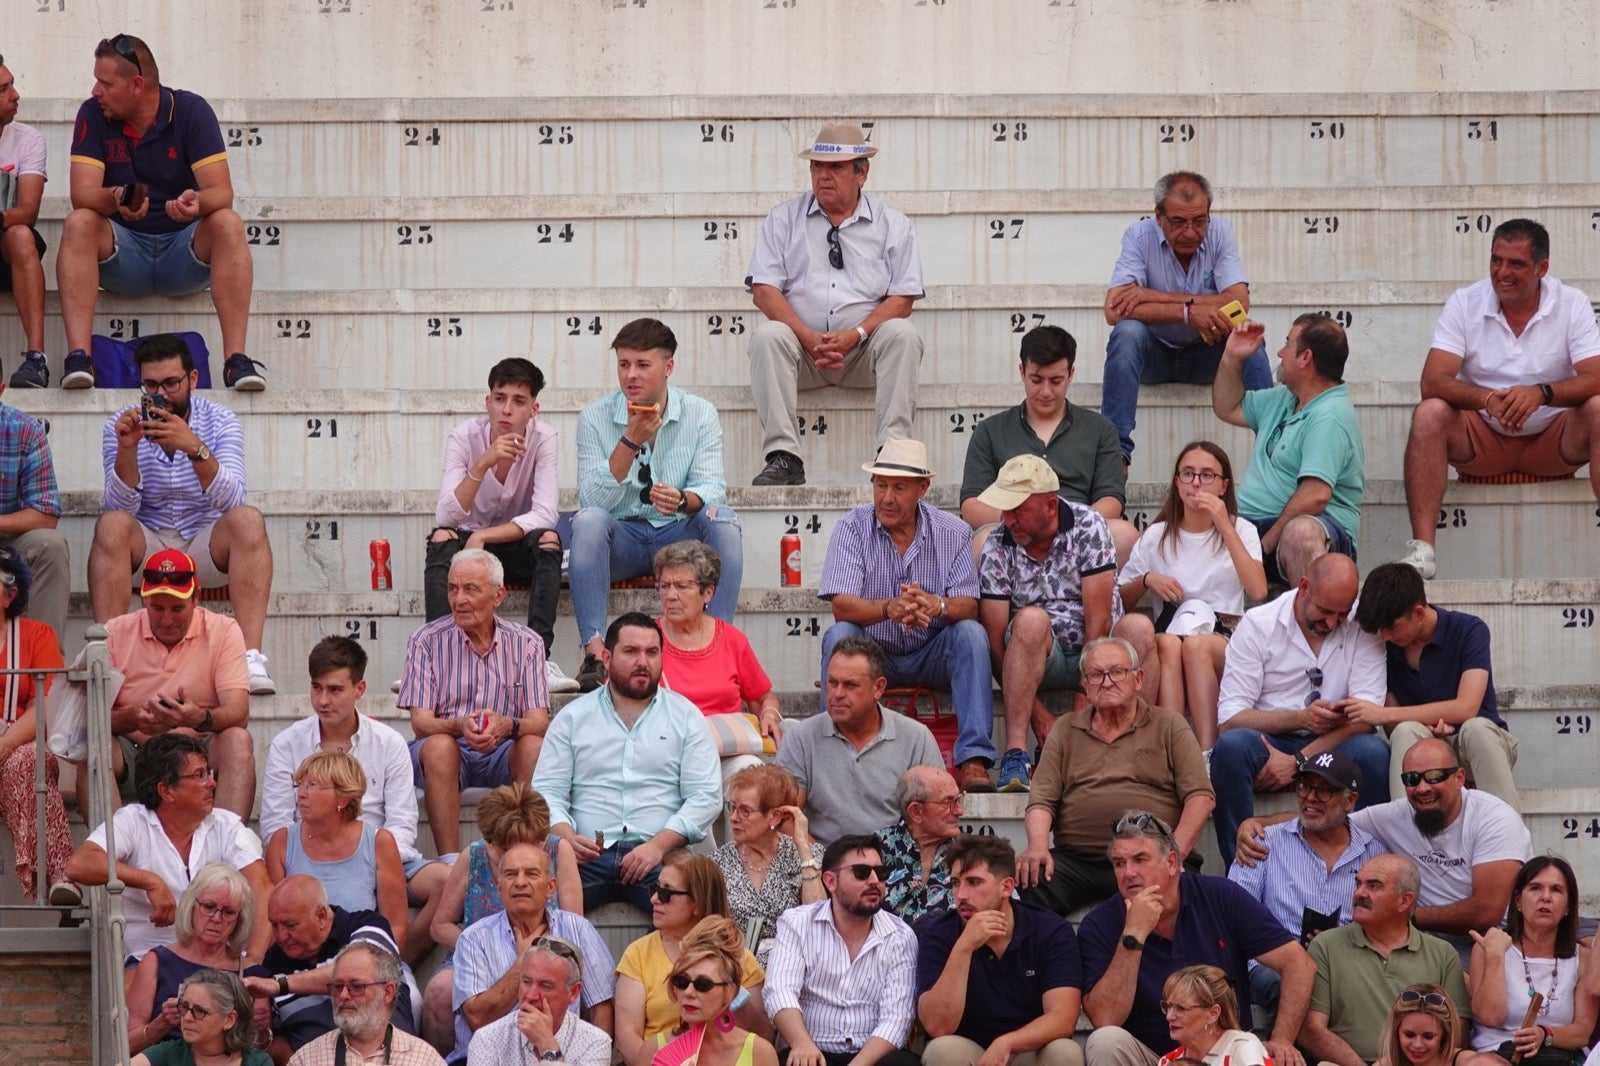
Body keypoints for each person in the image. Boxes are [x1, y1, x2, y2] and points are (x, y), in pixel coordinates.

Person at [1398, 218, 1600, 579]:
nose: (1502, 272)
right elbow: (1432, 381)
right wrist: (1487, 399)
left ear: (1542, 268)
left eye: (1516, 263)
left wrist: (1541, 393)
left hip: (1552, 441)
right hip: (1483, 440)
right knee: (1430, 412)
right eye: (1496, 260)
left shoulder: (1572, 303)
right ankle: (1423, 553)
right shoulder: (1465, 301)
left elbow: (1596, 376)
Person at [57, 34, 259, 391]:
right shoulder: (93, 113)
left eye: (105, 83)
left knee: (227, 221)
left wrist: (196, 202)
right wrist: (116, 198)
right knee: (79, 222)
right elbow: (81, 194)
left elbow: (222, 192)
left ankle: (237, 362)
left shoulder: (190, 110)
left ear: (136, 85)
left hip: (182, 253)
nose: (94, 91)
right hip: (123, 254)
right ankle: (79, 357)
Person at [89, 332, 275, 693]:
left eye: (172, 383)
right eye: (151, 385)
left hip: (204, 542)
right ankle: (107, 656)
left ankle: (249, 656)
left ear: (192, 379)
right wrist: (127, 452)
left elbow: (234, 501)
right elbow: (118, 511)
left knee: (249, 520)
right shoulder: (121, 425)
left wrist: (194, 448)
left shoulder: (220, 420)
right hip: (150, 542)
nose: (162, 394)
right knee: (111, 525)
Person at [745, 122, 923, 487]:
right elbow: (764, 290)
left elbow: (903, 299)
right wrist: (808, 337)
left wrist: (856, 334)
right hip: (803, 354)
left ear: (863, 173)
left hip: (861, 353)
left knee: (903, 334)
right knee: (767, 336)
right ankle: (784, 456)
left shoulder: (893, 224)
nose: (823, 175)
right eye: (817, 166)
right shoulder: (783, 218)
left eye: (835, 168)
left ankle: (892, 454)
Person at [571, 317, 741, 689]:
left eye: (642, 365)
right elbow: (590, 500)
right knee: (586, 523)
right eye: (623, 364)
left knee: (723, 520)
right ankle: (594, 654)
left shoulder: (699, 413)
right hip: (623, 538)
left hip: (679, 536)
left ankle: (722, 645)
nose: (631, 375)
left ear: (668, 368)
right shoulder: (595, 418)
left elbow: (713, 489)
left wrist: (683, 499)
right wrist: (629, 441)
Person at [1235, 739, 1531, 948]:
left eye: (1435, 777)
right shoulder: (1394, 816)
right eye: (1412, 778)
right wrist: (1257, 823)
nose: (1423, 787)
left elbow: (1486, 912)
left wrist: (1396, 914)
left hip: (1493, 939)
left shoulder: (1494, 818)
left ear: (1460, 778)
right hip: (1420, 939)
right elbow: (1325, 816)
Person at [818, 438, 993, 791]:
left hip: (931, 650)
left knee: (971, 633)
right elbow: (841, 606)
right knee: (840, 637)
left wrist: (936, 605)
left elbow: (969, 604)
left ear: (922, 488)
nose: (886, 497)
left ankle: (973, 761)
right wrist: (888, 608)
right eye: (880, 485)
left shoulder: (953, 531)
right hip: (874, 654)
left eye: (899, 488)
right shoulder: (852, 528)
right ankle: (832, 752)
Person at [260, 636, 449, 964]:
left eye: (335, 690)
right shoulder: (286, 743)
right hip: (310, 852)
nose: (323, 700)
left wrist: (373, 862)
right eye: (316, 688)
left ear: (359, 689)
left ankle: (398, 959)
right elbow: (275, 824)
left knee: (449, 882)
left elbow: (403, 822)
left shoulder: (389, 742)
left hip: (383, 854)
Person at [975, 454, 1154, 792]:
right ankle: (1016, 753)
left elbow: (1098, 619)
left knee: (1140, 629)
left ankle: (1134, 749)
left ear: (1050, 506)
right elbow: (995, 641)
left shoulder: (1089, 525)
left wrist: (1084, 699)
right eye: (1005, 509)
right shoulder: (998, 543)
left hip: (1097, 649)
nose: (1007, 519)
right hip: (1038, 653)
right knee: (1029, 620)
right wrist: (1040, 717)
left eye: (1018, 510)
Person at [1078, 811, 1312, 1066]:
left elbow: (1299, 964)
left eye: (1140, 859)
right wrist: (1133, 935)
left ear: (1171, 863)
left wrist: (1282, 1039)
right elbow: (1104, 1018)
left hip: (1225, 1054)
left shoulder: (1220, 897)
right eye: (1119, 863)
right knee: (1105, 1042)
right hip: (1152, 1059)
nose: (1128, 873)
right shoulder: (1100, 923)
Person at [534, 612, 722, 913]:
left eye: (652, 652)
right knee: (536, 909)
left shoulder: (686, 717)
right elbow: (546, 791)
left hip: (660, 856)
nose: (643, 662)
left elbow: (707, 796)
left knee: (696, 912)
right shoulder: (573, 718)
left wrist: (657, 846)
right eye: (631, 651)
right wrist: (567, 839)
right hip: (585, 857)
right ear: (606, 658)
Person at [1209, 552, 1390, 861]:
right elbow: (1231, 718)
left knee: (1374, 753)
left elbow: (1367, 717)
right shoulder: (1258, 624)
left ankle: (1366, 868)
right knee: (1231, 748)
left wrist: (1298, 761)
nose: (1332, 622)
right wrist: (1300, 718)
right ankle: (1238, 872)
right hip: (1271, 738)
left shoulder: (1362, 623)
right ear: (1304, 586)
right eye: (1325, 611)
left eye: (1341, 614)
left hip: (1338, 739)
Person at [1017, 637, 1213, 916]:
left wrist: (1173, 854)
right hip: (1080, 861)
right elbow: (1041, 800)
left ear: (1138, 679)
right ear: (1085, 684)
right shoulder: (1065, 729)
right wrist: (1037, 846)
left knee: (1183, 897)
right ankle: (1055, 959)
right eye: (1096, 675)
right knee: (1028, 881)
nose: (1107, 682)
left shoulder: (1168, 724)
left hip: (1150, 853)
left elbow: (1201, 797)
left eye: (1117, 672)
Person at [1101, 171, 1272, 467]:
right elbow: (1114, 310)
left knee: (1249, 337)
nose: (1191, 232)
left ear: (1209, 214)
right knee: (1127, 332)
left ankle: (1275, 443)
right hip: (1154, 355)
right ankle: (1115, 455)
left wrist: (1150, 296)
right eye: (1179, 222)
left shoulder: (1220, 233)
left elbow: (1239, 302)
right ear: (1158, 217)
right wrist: (1187, 312)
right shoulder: (1138, 237)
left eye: (1199, 221)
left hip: (1207, 354)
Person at [427, 356, 576, 693]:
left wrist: (484, 535)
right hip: (466, 543)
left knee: (549, 541)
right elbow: (446, 515)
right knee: (441, 537)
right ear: (488, 401)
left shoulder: (544, 439)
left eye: (519, 401)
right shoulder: (464, 436)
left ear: (533, 409)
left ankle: (538, 659)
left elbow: (544, 513)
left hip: (512, 543)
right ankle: (437, 657)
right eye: (500, 398)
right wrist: (483, 462)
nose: (507, 409)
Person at [65, 733, 271, 963]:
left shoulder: (227, 825)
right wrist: (150, 881)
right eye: (199, 775)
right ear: (167, 791)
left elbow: (262, 889)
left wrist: (254, 959)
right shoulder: (133, 821)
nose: (212, 782)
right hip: (147, 960)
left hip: (215, 960)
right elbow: (80, 864)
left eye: (209, 773)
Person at [400, 548, 550, 859]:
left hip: (503, 749)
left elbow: (539, 721)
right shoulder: (425, 640)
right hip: (448, 751)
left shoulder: (528, 643)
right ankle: (450, 861)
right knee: (439, 745)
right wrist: (458, 726)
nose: (458, 599)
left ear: (498, 596)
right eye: (453, 588)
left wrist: (508, 724)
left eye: (470, 589)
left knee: (534, 746)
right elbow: (421, 722)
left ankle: (526, 852)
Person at [85, 548, 256, 819]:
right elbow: (89, 718)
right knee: (92, 742)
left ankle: (229, 850)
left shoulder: (224, 630)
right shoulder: (115, 632)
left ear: (196, 598)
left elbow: (239, 711)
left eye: (177, 608)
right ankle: (109, 853)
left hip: (199, 748)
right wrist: (132, 719)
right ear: (143, 600)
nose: (166, 620)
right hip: (136, 753)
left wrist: (198, 717)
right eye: (157, 608)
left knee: (238, 739)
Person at [1117, 441, 1265, 748]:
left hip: (1224, 636)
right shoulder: (1157, 536)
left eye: (1207, 475)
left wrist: (1224, 525)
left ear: (1224, 485)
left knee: (1195, 647)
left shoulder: (1243, 530)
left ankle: (1209, 752)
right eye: (1188, 473)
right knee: (1169, 645)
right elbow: (1120, 601)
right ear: (1176, 481)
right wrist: (1147, 579)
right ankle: (1175, 751)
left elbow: (1258, 590)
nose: (1196, 482)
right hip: (1171, 632)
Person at [959, 324, 1139, 572]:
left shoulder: (1100, 429)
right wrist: (1024, 521)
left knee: (1125, 535)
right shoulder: (990, 430)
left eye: (1056, 381)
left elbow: (1111, 500)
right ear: (1022, 372)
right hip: (1013, 532)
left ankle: (1107, 611)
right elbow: (971, 504)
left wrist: (1062, 524)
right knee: (982, 541)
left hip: (1078, 532)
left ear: (1071, 374)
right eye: (1036, 380)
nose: (1045, 391)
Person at [1225, 751, 1385, 1029]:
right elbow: (1233, 917)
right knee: (1292, 981)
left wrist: (1337, 945)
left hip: (1347, 960)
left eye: (1324, 791)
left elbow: (1385, 924)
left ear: (1350, 801)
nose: (1310, 797)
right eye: (1305, 786)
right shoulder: (1263, 842)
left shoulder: (1373, 853)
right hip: (1270, 963)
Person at [422, 784, 582, 1053]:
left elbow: (573, 926)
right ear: (490, 841)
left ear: (540, 840)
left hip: (544, 950)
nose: (514, 856)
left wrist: (531, 954)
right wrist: (487, 948)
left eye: (527, 845)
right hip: (475, 953)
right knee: (439, 990)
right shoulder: (473, 856)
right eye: (504, 848)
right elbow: (439, 926)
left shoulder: (559, 851)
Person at [1212, 314, 1364, 584]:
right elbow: (1226, 407)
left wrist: (1264, 545)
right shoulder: (1284, 397)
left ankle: (1311, 619)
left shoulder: (1330, 415)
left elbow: (1315, 496)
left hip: (1314, 531)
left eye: (1287, 344)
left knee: (1301, 533)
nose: (1280, 353)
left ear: (1305, 358)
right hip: (1252, 527)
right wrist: (1231, 358)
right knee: (1192, 518)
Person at [1352, 563, 1518, 807]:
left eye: (1391, 627)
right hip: (1423, 751)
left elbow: (1466, 708)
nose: (1385, 636)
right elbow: (1393, 728)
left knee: (1477, 729)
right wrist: (1427, 730)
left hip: (1476, 748)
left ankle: (1508, 837)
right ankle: (1406, 837)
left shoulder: (1469, 629)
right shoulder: (1384, 646)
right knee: (1405, 730)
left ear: (1418, 613)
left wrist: (1383, 713)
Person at [915, 834, 1084, 1066]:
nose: (961, 895)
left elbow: (1063, 1018)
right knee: (940, 1051)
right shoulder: (939, 934)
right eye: (955, 883)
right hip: (971, 1052)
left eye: (974, 882)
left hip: (1028, 1049)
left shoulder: (1050, 930)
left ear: (1006, 887)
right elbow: (938, 1026)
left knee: (1065, 1051)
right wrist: (964, 947)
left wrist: (1007, 1043)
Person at [452, 841, 616, 1065]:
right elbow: (477, 1018)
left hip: (567, 1052)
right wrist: (525, 961)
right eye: (511, 874)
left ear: (550, 887)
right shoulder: (473, 939)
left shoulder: (578, 929)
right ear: (499, 887)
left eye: (531, 873)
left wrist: (589, 1054)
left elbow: (601, 1007)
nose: (520, 882)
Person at [763, 834, 919, 1066]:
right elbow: (779, 991)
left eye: (881, 872)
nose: (875, 881)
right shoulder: (797, 924)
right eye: (861, 872)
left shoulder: (900, 936)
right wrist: (802, 1043)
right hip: (812, 1051)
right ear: (830, 881)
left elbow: (897, 1019)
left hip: (872, 1056)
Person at [1300, 855, 1470, 1066]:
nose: (1359, 893)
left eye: (1374, 886)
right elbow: (1311, 1030)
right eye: (1358, 883)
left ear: (1404, 900)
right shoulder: (1325, 945)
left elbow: (1456, 1033)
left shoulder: (1442, 954)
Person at [775, 636, 942, 847]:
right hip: (823, 866)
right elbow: (786, 818)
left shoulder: (916, 738)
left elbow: (933, 817)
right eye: (832, 682)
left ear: (878, 688)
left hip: (896, 866)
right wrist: (828, 863)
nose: (837, 694)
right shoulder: (800, 738)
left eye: (850, 685)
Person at [615, 853, 769, 1066]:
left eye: (666, 893)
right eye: (655, 889)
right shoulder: (639, 953)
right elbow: (626, 1037)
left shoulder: (741, 959)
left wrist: (733, 988)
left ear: (698, 903)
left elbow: (760, 1035)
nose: (654, 899)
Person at [654, 541, 782, 783]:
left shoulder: (732, 640)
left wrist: (770, 715)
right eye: (664, 586)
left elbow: (764, 698)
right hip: (667, 756)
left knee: (751, 772)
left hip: (725, 752)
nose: (670, 595)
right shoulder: (646, 639)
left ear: (708, 592)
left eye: (682, 586)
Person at [247, 875, 415, 1058]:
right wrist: (264, 1034)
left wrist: (280, 984)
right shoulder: (274, 962)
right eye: (274, 925)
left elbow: (360, 971)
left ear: (320, 916)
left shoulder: (366, 924)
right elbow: (275, 1042)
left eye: (290, 925)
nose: (281, 936)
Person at [265, 752, 409, 949]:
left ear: (343, 798)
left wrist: (370, 965)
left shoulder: (379, 842)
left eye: (312, 786)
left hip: (363, 961)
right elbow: (272, 921)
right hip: (296, 959)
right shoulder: (282, 842)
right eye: (300, 784)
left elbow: (396, 925)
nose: (301, 793)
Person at [1467, 857, 1597, 1064]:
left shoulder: (1582, 957)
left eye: (1556, 890)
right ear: (1518, 900)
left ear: (1568, 906)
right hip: (1495, 1057)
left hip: (1556, 1057)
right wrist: (1495, 956)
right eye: (1535, 888)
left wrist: (1545, 1034)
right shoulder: (1489, 948)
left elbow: (1582, 1032)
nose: (1545, 897)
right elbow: (1490, 1017)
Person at [127, 864, 267, 1055]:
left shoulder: (253, 974)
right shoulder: (157, 962)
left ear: (240, 919)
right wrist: (161, 1024)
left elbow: (259, 1049)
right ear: (191, 907)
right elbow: (126, 1046)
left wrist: (261, 1032)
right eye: (208, 907)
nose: (217, 918)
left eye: (228, 912)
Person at [0, 548, 70, 902]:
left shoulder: (36, 635)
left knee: (28, 762)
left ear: (11, 594)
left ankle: (59, 879)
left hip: (18, 748)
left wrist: (6, 744)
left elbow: (46, 702)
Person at [712, 764, 822, 966]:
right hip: (735, 969)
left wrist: (803, 847)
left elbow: (817, 917)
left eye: (745, 811)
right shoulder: (718, 863)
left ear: (775, 816)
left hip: (795, 966)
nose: (733, 817)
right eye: (732, 807)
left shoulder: (808, 857)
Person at [287, 942, 446, 1066]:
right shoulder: (307, 1059)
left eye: (357, 987)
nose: (343, 995)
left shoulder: (424, 1060)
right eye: (338, 986)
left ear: (388, 992)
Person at [650, 917, 779, 1066]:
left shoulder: (759, 1053)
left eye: (703, 984)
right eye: (682, 982)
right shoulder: (653, 1050)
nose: (689, 992)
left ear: (729, 992)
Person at [466, 942, 611, 1066]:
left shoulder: (595, 1042)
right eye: (526, 982)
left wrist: (547, 1046)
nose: (530, 996)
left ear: (573, 992)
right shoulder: (488, 1039)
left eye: (546, 985)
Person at [0, 55, 51, 390]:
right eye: (3, 89)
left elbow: (28, 211)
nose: (15, 95)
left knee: (21, 234)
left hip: (5, 251)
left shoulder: (27, 138)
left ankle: (36, 358)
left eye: (12, 84)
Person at [0, 391, 68, 642]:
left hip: (7, 542)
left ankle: (46, 668)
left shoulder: (25, 430)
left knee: (50, 545)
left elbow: (46, 513)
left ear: (1, 389)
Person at [130, 969, 271, 1066]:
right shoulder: (170, 1053)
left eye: (200, 1011)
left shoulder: (257, 1062)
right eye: (184, 1007)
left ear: (229, 1020)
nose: (187, 1018)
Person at [874, 766, 961, 924]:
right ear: (916, 812)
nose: (959, 811)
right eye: (948, 803)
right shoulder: (876, 849)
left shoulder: (972, 853)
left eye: (959, 801)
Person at [1153, 965, 1271, 1066]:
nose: (1169, 1016)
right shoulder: (1168, 1061)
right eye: (1168, 1006)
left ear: (1213, 1014)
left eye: (1181, 1008)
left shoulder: (1242, 1047)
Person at [1373, 984, 1474, 1066]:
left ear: (1444, 1033)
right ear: (1396, 1031)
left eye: (1428, 1036)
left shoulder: (1468, 1062)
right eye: (1409, 1035)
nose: (1418, 1044)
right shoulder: (1385, 1064)